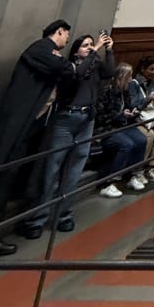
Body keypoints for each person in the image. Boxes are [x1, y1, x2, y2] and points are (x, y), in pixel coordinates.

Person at [0, 19, 77, 276]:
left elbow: (68, 75)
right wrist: (67, 63)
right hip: (14, 130)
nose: (66, 41)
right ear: (58, 31)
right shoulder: (39, 48)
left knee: (9, 185)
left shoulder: (49, 53)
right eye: (66, 36)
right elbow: (64, 68)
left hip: (30, 131)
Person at [18, 30, 114, 238]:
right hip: (65, 120)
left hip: (86, 119)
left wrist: (109, 49)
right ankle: (37, 218)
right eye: (85, 45)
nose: (90, 47)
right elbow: (78, 75)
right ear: (75, 51)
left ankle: (63, 215)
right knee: (51, 170)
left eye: (91, 44)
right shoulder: (69, 67)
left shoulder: (95, 66)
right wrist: (95, 49)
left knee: (74, 171)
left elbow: (110, 72)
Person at [95, 63, 148, 195]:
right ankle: (110, 182)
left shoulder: (125, 91)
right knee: (127, 144)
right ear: (120, 76)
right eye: (128, 76)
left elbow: (128, 108)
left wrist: (133, 111)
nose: (131, 79)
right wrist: (120, 115)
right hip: (106, 128)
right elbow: (100, 116)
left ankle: (134, 175)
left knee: (141, 139)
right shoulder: (106, 91)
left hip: (122, 125)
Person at [126, 62, 154, 182]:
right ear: (142, 68)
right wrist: (148, 99)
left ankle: (151, 168)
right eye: (150, 69)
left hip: (151, 118)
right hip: (137, 119)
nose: (153, 72)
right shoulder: (134, 84)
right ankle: (137, 171)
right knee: (149, 135)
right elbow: (133, 105)